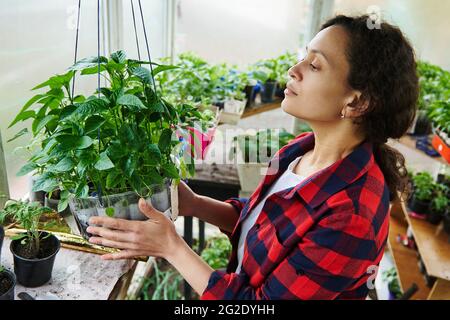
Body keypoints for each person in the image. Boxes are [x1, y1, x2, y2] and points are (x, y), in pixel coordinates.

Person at [86, 14, 419, 300]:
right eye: (304, 57)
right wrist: (195, 204)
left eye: (315, 65)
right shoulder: (300, 149)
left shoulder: (351, 214)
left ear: (357, 102)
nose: (293, 70)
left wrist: (172, 248)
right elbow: (263, 224)